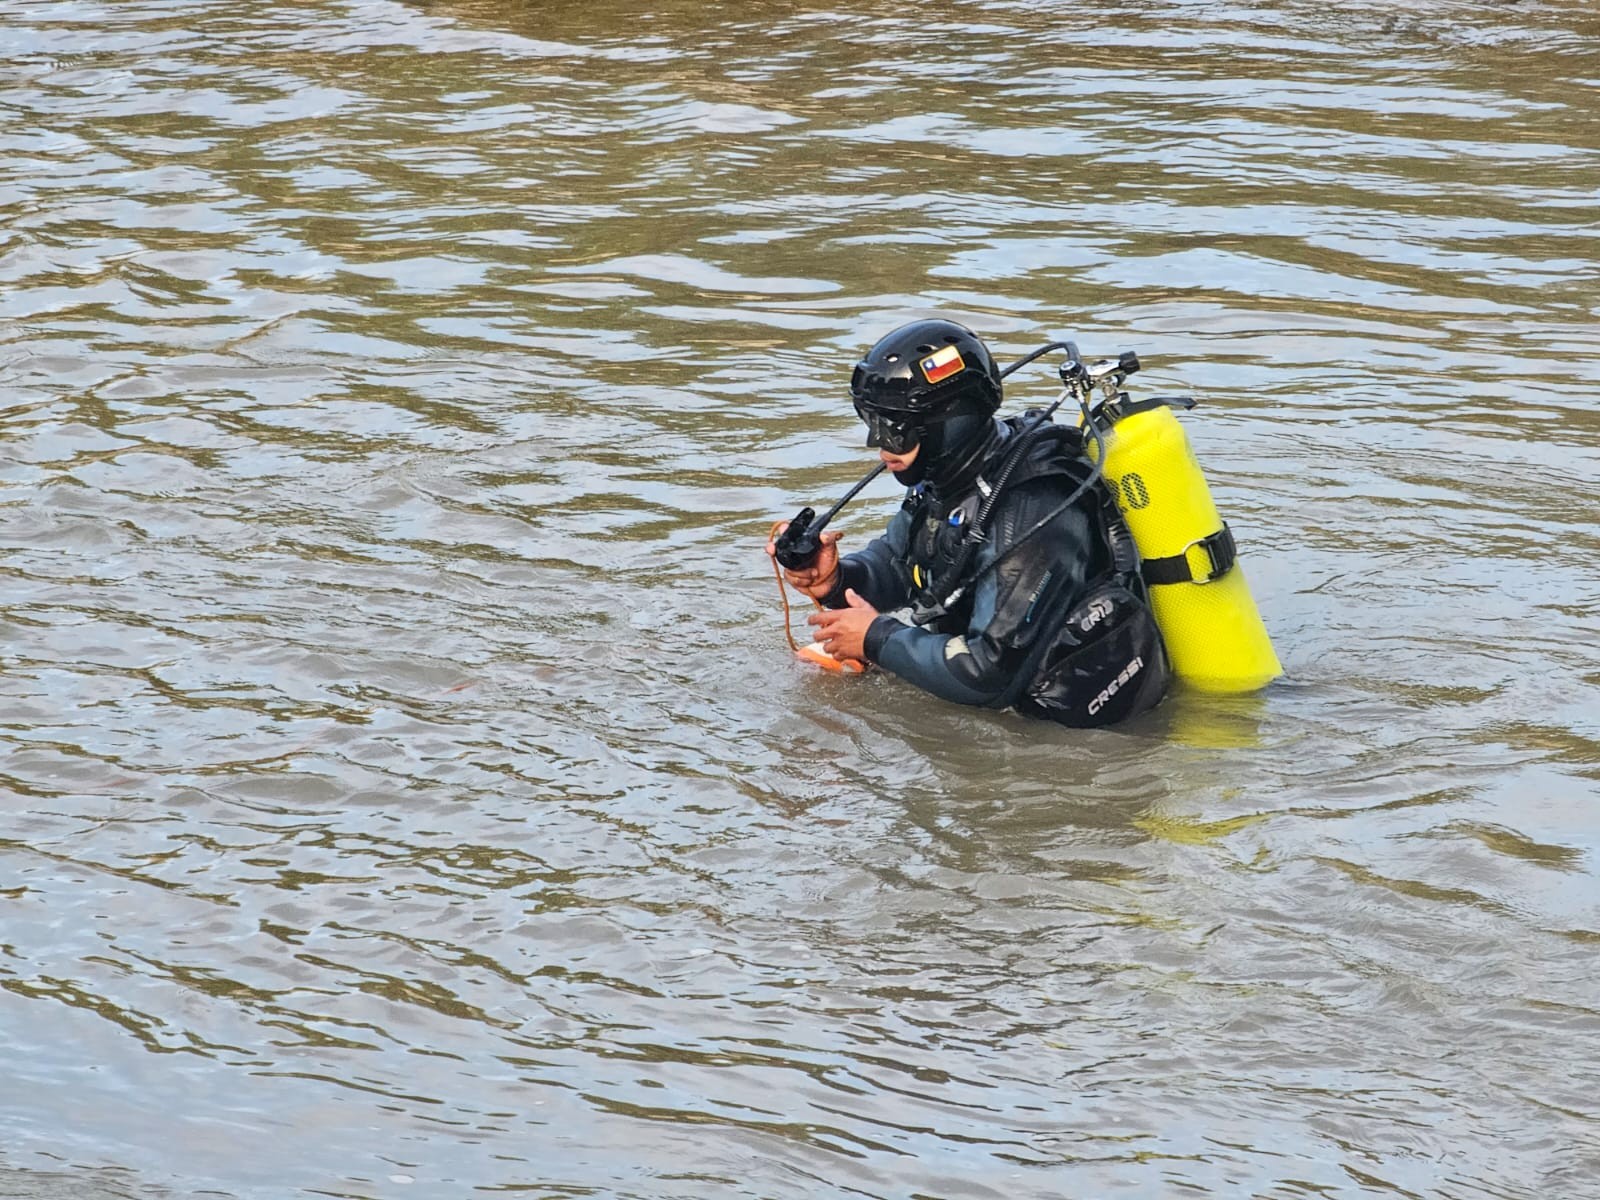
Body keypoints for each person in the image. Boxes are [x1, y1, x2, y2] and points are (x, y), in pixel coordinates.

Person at [766, 318, 1171, 727]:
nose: (878, 444)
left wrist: (876, 638)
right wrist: (837, 579)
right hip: (998, 686)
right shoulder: (948, 480)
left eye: (893, 429)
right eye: (871, 422)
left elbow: (988, 673)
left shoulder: (1031, 510)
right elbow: (900, 565)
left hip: (1073, 726)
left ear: (948, 425)